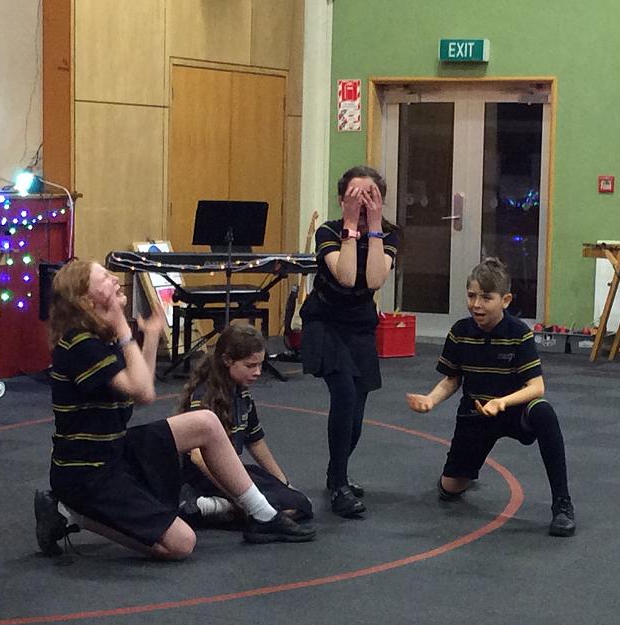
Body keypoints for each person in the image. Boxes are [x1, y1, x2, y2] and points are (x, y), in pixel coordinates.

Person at [34, 259, 315, 559]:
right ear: (86, 300)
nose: (114, 279)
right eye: (104, 277)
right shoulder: (79, 343)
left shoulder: (99, 339)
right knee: (181, 544)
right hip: (87, 473)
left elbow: (143, 393)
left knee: (206, 423)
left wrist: (151, 336)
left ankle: (263, 516)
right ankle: (69, 511)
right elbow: (142, 390)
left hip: (115, 450)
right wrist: (122, 326)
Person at [405, 257, 576, 537]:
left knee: (543, 412)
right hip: (476, 413)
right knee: (449, 489)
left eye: (486, 298)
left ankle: (562, 504)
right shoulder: (459, 332)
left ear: (505, 300)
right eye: (472, 296)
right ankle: (465, 475)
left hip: (513, 410)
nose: (477, 304)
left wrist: (502, 402)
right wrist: (430, 400)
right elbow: (452, 380)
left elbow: (537, 387)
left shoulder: (519, 333)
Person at [299, 165, 399, 518]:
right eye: (355, 196)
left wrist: (374, 226)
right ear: (341, 200)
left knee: (357, 406)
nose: (363, 202)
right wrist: (350, 226)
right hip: (325, 322)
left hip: (359, 326)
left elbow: (373, 280)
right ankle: (340, 485)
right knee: (343, 394)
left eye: (371, 196)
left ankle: (335, 472)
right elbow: (345, 275)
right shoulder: (328, 231)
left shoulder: (388, 235)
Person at [175, 324, 314, 526]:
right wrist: (239, 495)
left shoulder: (242, 394)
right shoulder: (204, 397)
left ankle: (215, 506)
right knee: (281, 508)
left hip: (231, 470)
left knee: (299, 503)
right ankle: (207, 503)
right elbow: (198, 457)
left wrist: (285, 484)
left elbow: (256, 442)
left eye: (260, 365)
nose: (258, 372)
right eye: (250, 366)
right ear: (227, 360)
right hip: (204, 477)